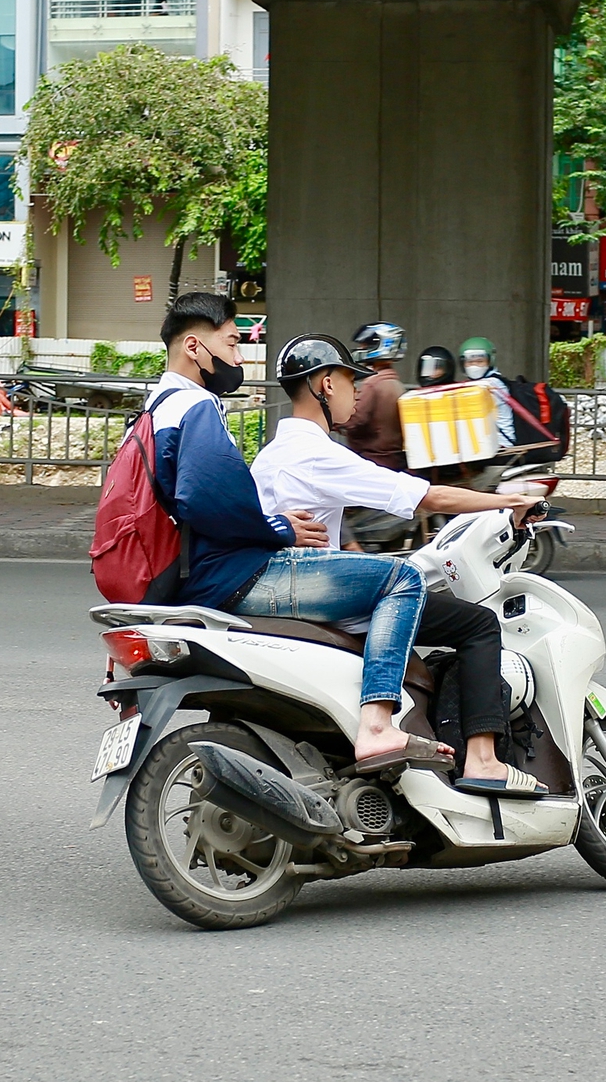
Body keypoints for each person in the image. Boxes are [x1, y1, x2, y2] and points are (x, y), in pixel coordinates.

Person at [144, 294, 444, 773]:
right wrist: (278, 528)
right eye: (234, 343)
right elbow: (206, 502)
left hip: (178, 580)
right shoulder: (195, 404)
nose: (239, 358)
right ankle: (378, 723)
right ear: (196, 347)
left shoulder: (152, 407)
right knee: (400, 580)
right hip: (230, 575)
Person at [254, 334, 551, 798]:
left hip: (287, 590)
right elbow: (425, 498)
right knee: (476, 625)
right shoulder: (319, 453)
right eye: (352, 380)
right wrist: (511, 500)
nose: (356, 391)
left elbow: (324, 521)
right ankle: (483, 758)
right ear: (325, 384)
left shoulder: (271, 455)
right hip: (322, 596)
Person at [332, 322, 407, 471]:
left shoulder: (373, 384)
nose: (361, 348)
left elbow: (354, 418)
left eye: (365, 345)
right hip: (393, 460)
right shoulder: (394, 383)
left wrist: (330, 418)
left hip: (373, 460)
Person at [459, 336, 516, 446]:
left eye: (480, 361)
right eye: (470, 362)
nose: (474, 366)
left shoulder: (492, 384)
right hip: (488, 445)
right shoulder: (479, 383)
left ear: (490, 361)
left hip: (501, 446)